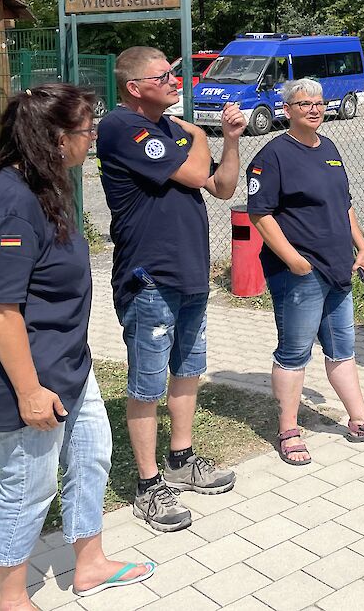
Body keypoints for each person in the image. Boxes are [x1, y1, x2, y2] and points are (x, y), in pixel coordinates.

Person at [0, 84, 155, 609]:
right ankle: (10, 596)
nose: (92, 138)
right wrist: (28, 391)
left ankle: (90, 564)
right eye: (85, 131)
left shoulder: (51, 186)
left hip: (68, 361)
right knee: (30, 483)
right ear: (53, 138)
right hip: (25, 376)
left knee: (93, 454)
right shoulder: (11, 205)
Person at [97, 47, 246, 533]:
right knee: (146, 382)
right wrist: (201, 134)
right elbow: (193, 175)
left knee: (188, 369)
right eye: (162, 75)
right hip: (150, 276)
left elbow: (222, 187)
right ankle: (147, 485)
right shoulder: (122, 127)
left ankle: (181, 459)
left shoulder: (168, 129)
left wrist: (229, 140)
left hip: (190, 271)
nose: (174, 80)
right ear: (134, 87)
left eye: (174, 73)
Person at [247, 78, 364, 464]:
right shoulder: (273, 156)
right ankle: (288, 429)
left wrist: (362, 246)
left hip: (338, 269)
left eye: (319, 103)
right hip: (300, 273)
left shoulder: (330, 148)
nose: (314, 109)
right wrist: (293, 259)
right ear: (288, 111)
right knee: (294, 353)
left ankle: (360, 420)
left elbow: (344, 203)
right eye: (304, 104)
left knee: (342, 350)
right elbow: (259, 213)